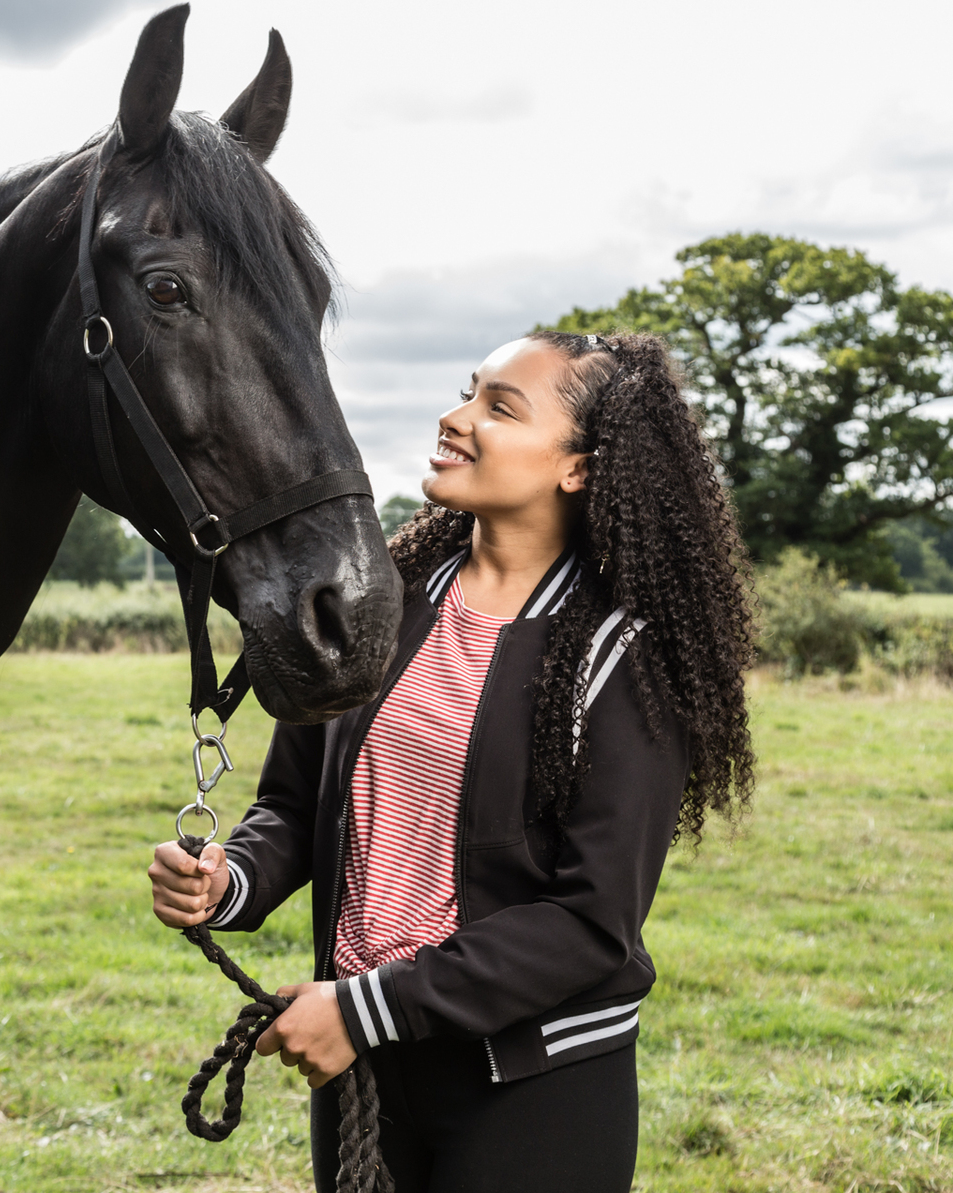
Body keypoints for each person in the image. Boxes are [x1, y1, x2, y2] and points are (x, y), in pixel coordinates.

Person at [148, 332, 756, 1192]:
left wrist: (364, 1010)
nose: (455, 416)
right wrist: (227, 880)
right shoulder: (379, 606)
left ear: (577, 467)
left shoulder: (625, 658)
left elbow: (590, 919)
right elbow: (294, 805)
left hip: (532, 1086)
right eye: (469, 392)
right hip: (365, 1067)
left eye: (499, 407)